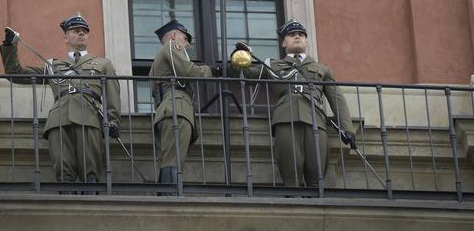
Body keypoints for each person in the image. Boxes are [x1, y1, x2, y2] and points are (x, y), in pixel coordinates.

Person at [0, 13, 120, 189]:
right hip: (59, 119)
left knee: (91, 169)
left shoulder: (102, 64)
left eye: (84, 31)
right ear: (65, 37)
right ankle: (66, 200)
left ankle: (91, 204)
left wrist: (113, 120)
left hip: (90, 116)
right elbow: (15, 73)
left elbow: (113, 94)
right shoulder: (53, 66)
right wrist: (10, 46)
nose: (81, 33)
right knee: (63, 169)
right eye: (76, 30)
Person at [232, 19, 356, 187]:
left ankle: (317, 204)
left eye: (301, 34)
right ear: (284, 42)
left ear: (306, 41)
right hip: (285, 116)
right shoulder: (272, 65)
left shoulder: (322, 68)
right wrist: (239, 55)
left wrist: (347, 129)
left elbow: (337, 99)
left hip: (315, 118)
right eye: (291, 35)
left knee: (317, 169)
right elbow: (244, 73)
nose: (297, 36)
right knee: (290, 167)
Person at [149, 20, 212, 187]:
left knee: (170, 157)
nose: (188, 44)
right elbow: (188, 71)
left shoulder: (158, 58)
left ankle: (167, 193)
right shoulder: (172, 47)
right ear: (175, 36)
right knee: (173, 159)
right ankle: (170, 195)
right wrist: (210, 70)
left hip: (168, 107)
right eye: (185, 38)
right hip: (177, 106)